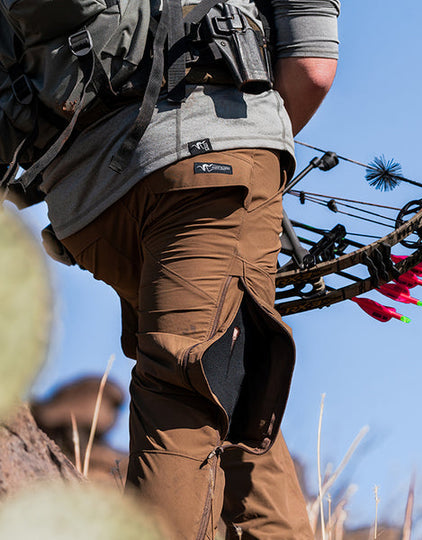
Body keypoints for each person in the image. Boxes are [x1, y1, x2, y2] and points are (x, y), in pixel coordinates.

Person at [41, 0, 340, 538]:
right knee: (183, 392)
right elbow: (313, 69)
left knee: (236, 388)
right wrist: (253, 150)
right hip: (207, 173)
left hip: (83, 208)